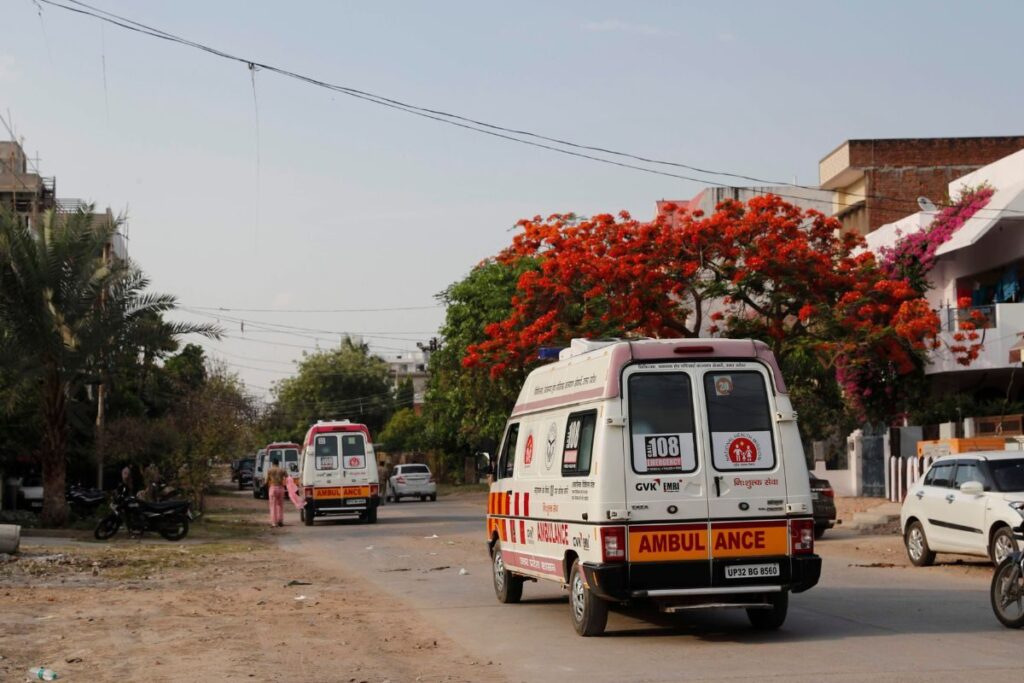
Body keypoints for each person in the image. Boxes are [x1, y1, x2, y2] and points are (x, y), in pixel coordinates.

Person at [266, 457, 287, 527]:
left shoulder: (270, 470)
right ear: (278, 463)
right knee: (280, 505)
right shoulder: (282, 470)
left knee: (273, 506)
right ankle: (280, 520)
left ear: (272, 463)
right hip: (280, 488)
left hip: (273, 487)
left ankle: (274, 522)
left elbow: (267, 480)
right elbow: (287, 476)